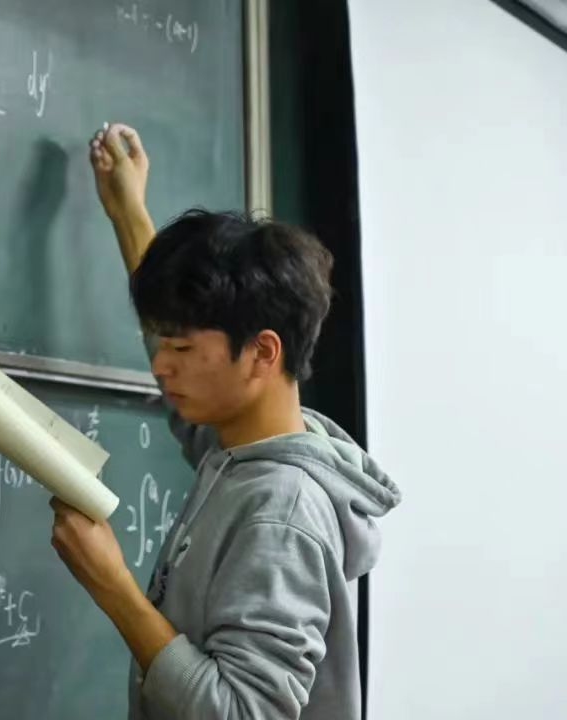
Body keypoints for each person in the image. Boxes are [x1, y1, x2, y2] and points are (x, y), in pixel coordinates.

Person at [49, 122, 402, 719]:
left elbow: (243, 712)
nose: (160, 366)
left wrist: (113, 586)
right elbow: (181, 343)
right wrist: (128, 212)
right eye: (162, 342)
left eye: (181, 349)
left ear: (262, 352)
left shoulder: (281, 512)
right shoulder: (243, 444)